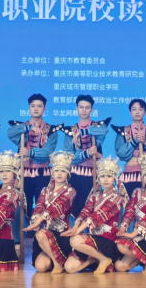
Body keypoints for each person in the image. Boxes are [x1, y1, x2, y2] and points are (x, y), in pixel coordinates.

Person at [7, 93, 61, 245]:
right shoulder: (21, 127)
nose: (36, 109)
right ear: (28, 108)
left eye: (39, 106)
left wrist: (30, 152)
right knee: (20, 205)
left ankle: (42, 241)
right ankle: (19, 241)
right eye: (33, 106)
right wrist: (29, 128)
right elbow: (10, 133)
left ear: (44, 109)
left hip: (43, 173)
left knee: (43, 205)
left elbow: (48, 153)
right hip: (23, 172)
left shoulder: (52, 130)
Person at [62, 156, 126, 274]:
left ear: (114, 178)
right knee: (70, 268)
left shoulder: (116, 197)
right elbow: (85, 212)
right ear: (98, 178)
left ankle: (104, 259)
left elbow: (97, 217)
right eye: (102, 176)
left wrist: (77, 232)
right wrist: (75, 226)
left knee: (74, 240)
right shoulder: (94, 196)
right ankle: (96, 259)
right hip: (92, 239)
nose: (105, 179)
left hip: (106, 240)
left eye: (109, 176)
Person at [23, 151, 77, 274]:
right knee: (41, 268)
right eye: (56, 170)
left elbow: (55, 208)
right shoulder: (45, 190)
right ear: (52, 172)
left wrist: (38, 221)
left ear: (68, 173)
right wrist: (35, 221)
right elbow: (39, 207)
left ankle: (57, 264)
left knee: (40, 234)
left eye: (63, 171)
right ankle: (54, 260)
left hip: (61, 235)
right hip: (46, 235)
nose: (59, 174)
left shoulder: (70, 191)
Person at [60, 94, 111, 217]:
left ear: (92, 109)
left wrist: (83, 131)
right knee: (74, 207)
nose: (84, 110)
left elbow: (103, 131)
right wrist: (86, 154)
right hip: (75, 173)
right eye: (81, 107)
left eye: (87, 107)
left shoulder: (99, 126)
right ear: (76, 108)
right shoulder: (70, 131)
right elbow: (68, 157)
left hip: (93, 173)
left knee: (92, 206)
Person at [111, 99, 146, 197]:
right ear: (130, 112)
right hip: (129, 174)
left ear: (145, 112)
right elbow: (120, 154)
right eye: (134, 109)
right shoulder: (122, 131)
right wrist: (134, 142)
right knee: (129, 202)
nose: (137, 112)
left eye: (140, 109)